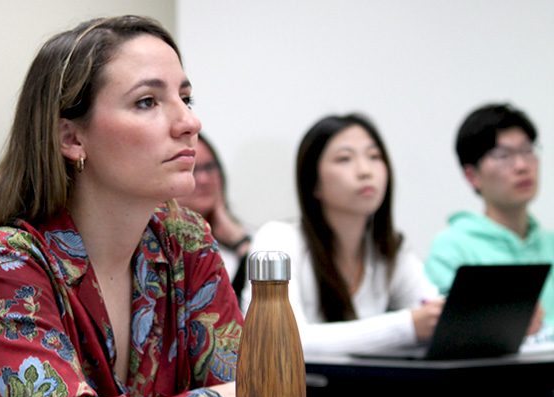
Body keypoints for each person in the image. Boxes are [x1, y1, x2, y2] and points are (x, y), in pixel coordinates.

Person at [0, 16, 242, 397]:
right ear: (71, 137)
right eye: (147, 102)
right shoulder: (0, 266)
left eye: (185, 99)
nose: (190, 122)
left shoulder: (185, 243)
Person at [242, 114, 443, 354]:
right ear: (313, 182)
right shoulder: (277, 241)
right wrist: (407, 326)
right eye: (344, 159)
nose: (365, 171)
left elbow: (435, 319)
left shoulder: (389, 248)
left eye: (374, 156)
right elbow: (280, 341)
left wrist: (433, 320)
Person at [425, 103, 554, 327]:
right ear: (472, 175)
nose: (522, 166)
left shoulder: (549, 244)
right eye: (503, 155)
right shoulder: (452, 250)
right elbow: (449, 332)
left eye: (527, 151)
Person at [176, 134, 252, 297]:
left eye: (209, 167)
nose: (203, 179)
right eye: (192, 169)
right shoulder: (157, 246)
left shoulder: (243, 238)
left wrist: (239, 241)